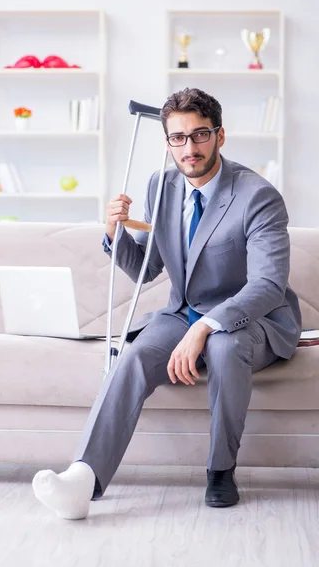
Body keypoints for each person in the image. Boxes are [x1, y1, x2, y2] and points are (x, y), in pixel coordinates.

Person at [32, 87, 301, 519]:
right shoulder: (162, 184)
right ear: (167, 141)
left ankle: (220, 470)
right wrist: (112, 231)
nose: (189, 148)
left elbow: (269, 284)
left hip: (254, 317)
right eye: (178, 137)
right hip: (182, 313)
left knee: (224, 346)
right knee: (135, 356)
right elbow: (147, 266)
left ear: (220, 136)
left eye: (199, 135)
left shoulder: (257, 195)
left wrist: (205, 327)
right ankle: (83, 478)